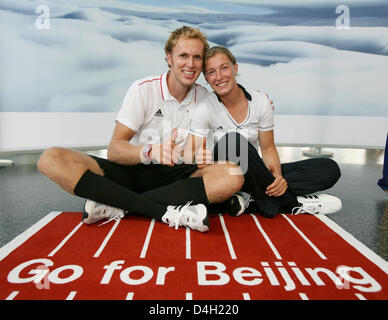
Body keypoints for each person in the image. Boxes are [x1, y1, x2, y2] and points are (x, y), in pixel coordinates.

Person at [37, 27, 246, 233]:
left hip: (179, 178)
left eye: (197, 57)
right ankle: (164, 210)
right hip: (133, 173)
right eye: (183, 55)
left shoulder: (205, 97)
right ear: (169, 58)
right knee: (51, 158)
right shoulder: (143, 89)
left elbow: (233, 121)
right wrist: (150, 151)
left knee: (233, 175)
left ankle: (116, 204)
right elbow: (115, 150)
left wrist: (257, 105)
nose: (190, 64)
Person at [186, 46, 342, 217]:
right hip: (223, 174)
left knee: (329, 168)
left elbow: (268, 148)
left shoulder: (260, 102)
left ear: (235, 68)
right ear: (206, 79)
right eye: (211, 72)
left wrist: (277, 177)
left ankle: (249, 198)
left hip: (254, 171)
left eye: (224, 68)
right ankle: (290, 203)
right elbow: (192, 155)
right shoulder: (205, 108)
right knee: (233, 142)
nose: (219, 77)